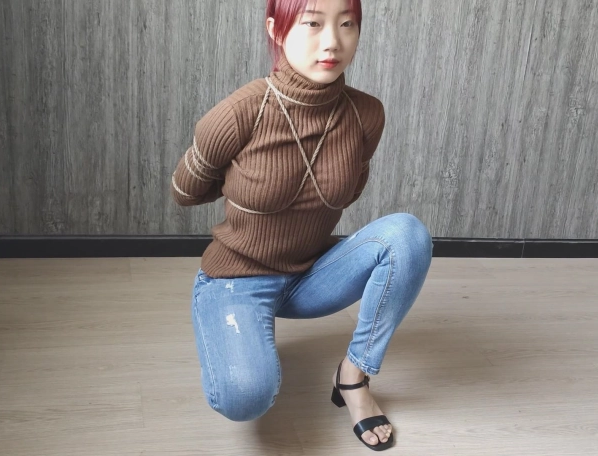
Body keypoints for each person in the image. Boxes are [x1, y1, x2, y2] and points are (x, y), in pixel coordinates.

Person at [170, 0, 432, 450]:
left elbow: (350, 190)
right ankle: (242, 332)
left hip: (312, 273)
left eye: (346, 24)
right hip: (237, 278)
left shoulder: (366, 114)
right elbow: (185, 191)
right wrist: (248, 185)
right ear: (277, 29)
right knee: (246, 397)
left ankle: (353, 377)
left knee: (406, 235)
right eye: (312, 24)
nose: (332, 42)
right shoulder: (239, 113)